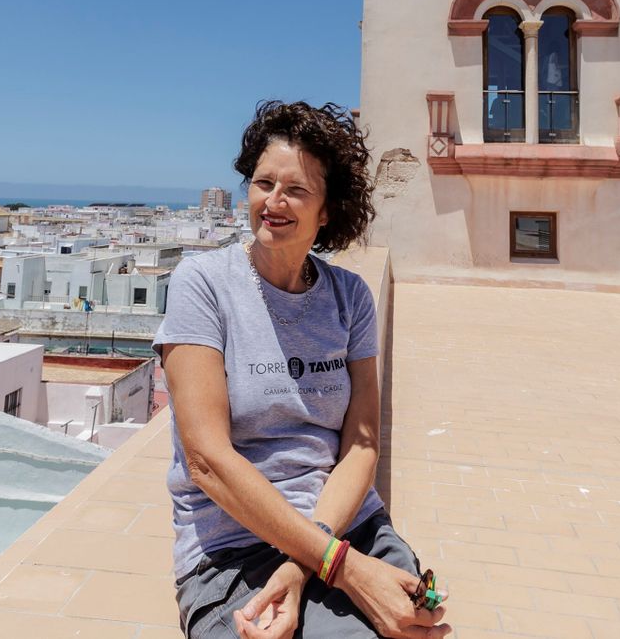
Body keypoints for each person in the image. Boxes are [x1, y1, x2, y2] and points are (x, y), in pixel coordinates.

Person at [154, 101, 450, 639]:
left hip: (347, 526)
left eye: (296, 189)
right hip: (234, 550)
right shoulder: (204, 284)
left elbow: (361, 444)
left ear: (327, 210)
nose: (274, 202)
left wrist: (310, 561)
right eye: (263, 183)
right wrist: (340, 567)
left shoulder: (349, 297)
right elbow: (207, 461)